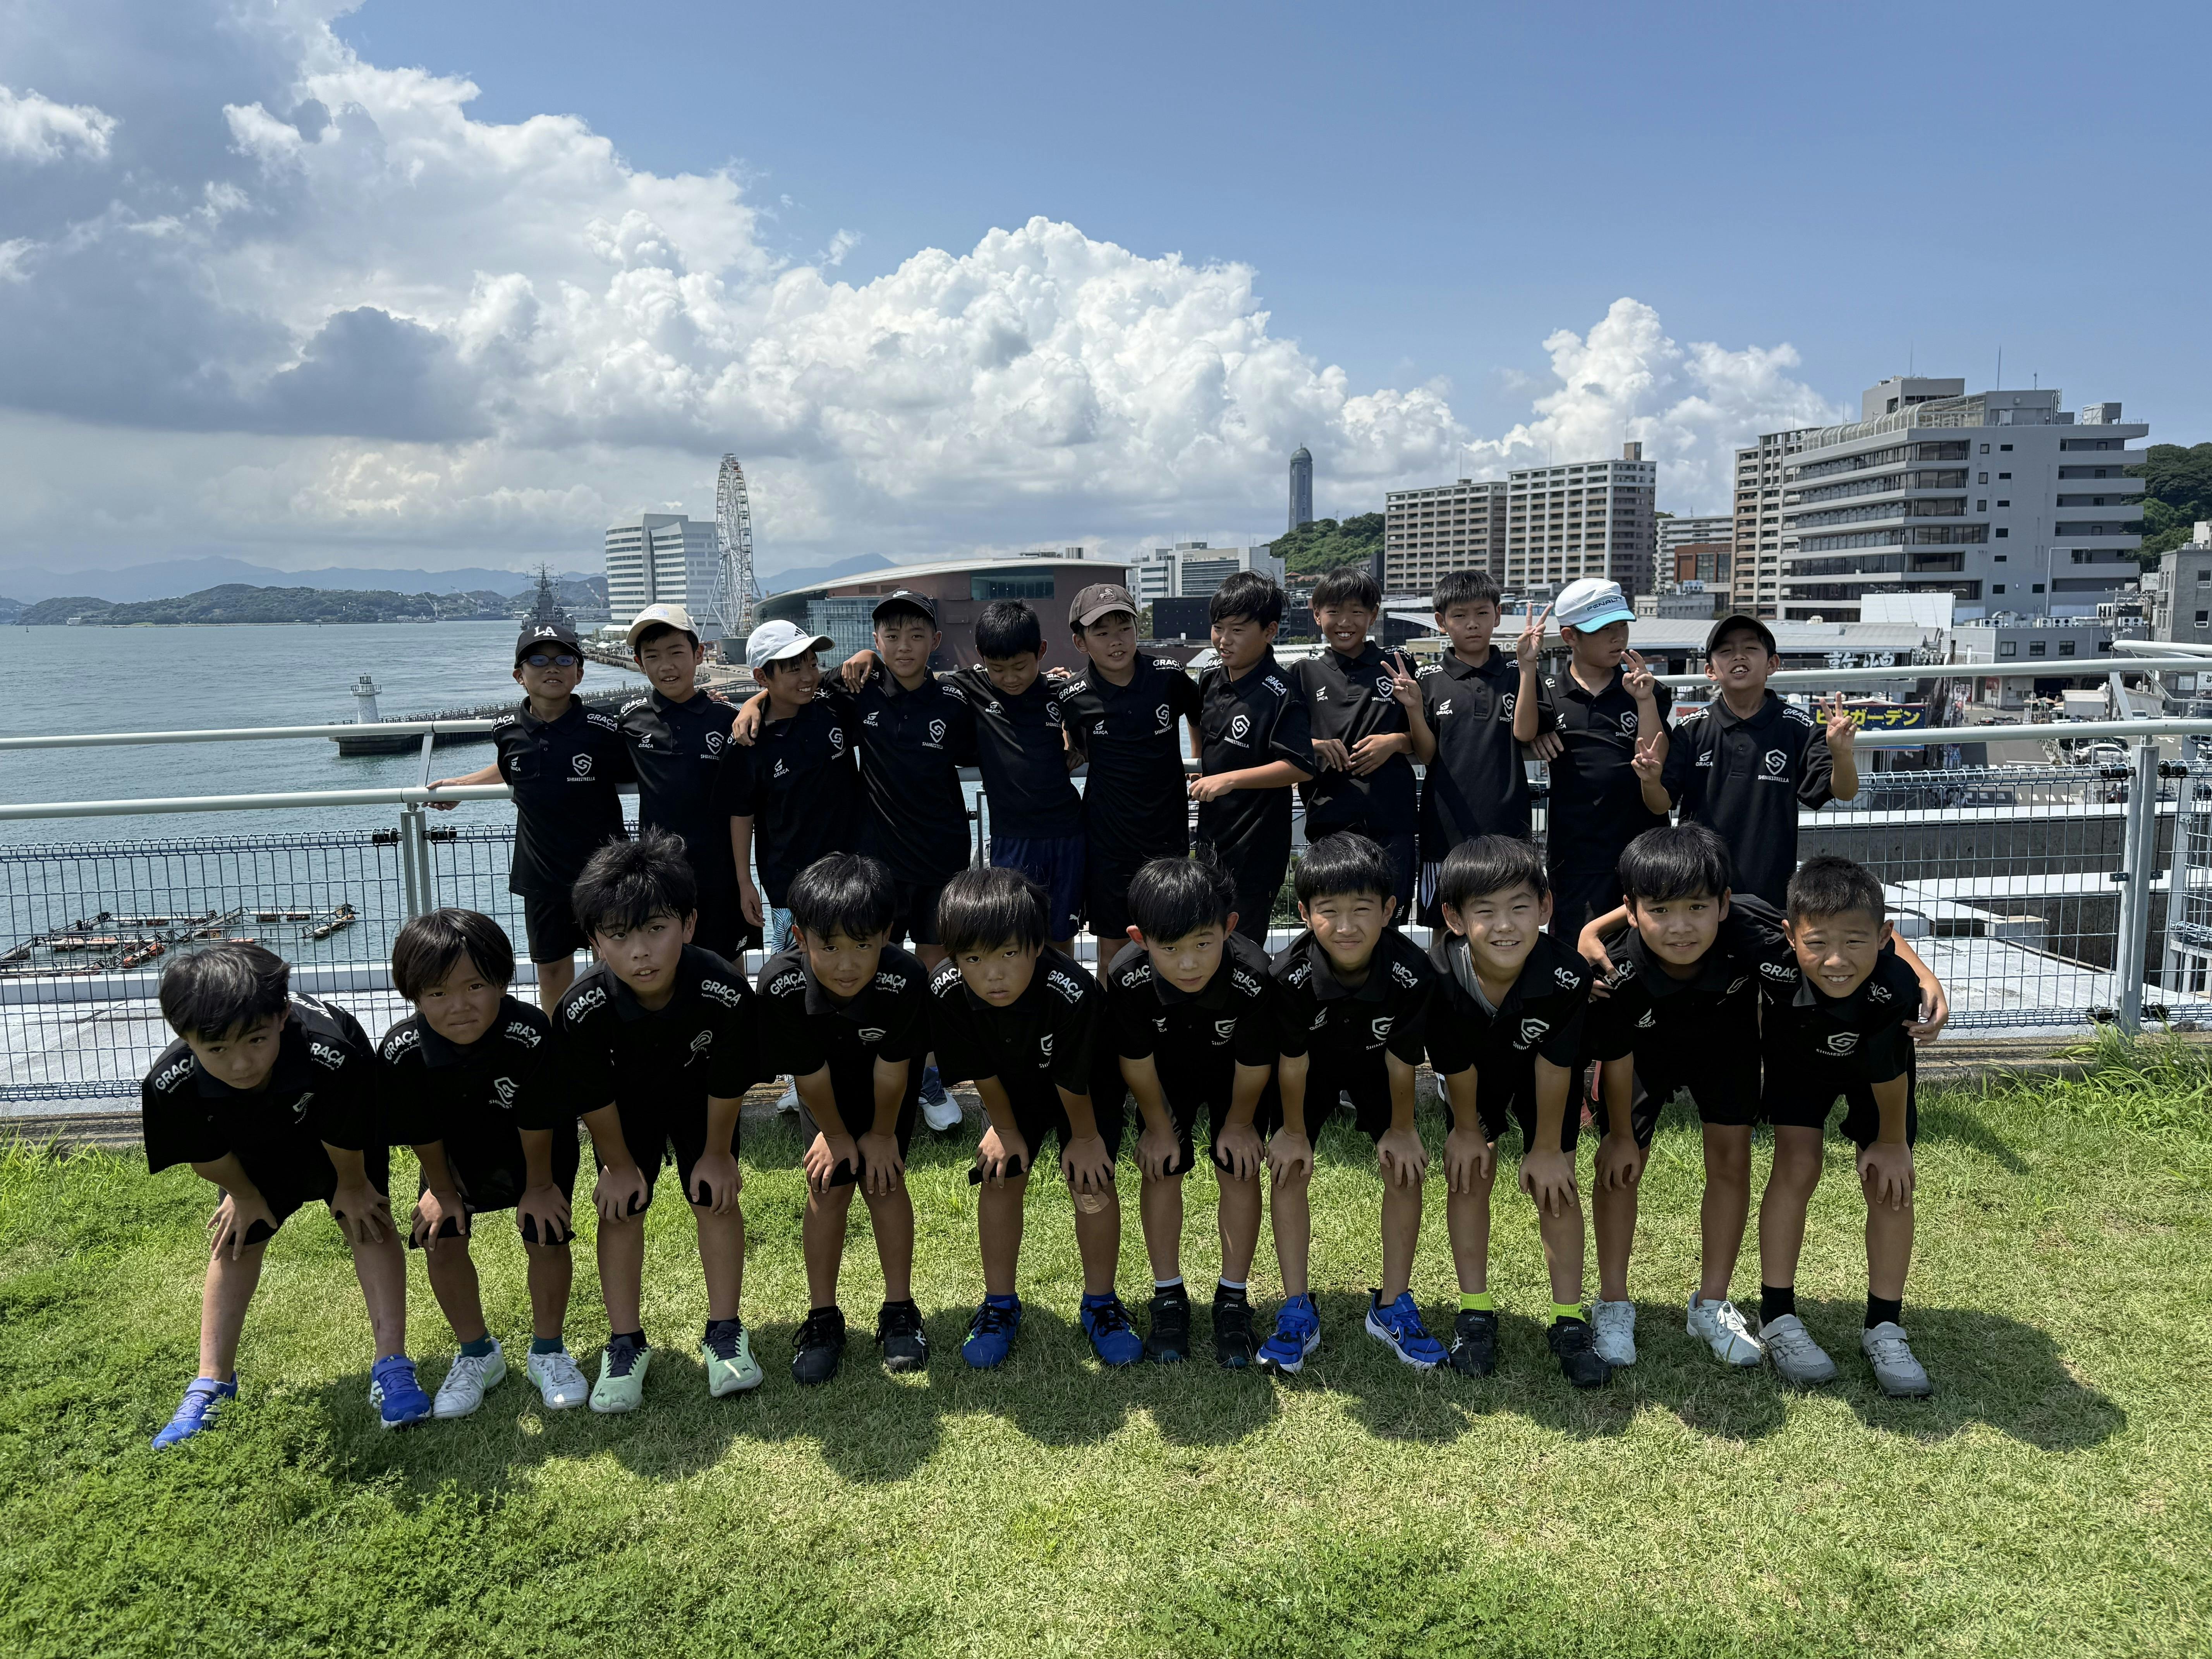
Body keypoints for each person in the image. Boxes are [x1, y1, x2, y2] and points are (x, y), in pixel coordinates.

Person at [142, 943, 428, 1446]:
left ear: (282, 1016)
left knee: (368, 1221)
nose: (240, 1063)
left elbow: (346, 1131)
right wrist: (244, 1195)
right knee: (239, 1237)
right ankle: (212, 1383)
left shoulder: (331, 1051)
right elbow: (205, 1156)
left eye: (256, 1040)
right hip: (253, 1141)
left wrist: (352, 1186)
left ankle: (392, 1365)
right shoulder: (170, 1082)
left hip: (337, 1130)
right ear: (186, 1038)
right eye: (217, 1050)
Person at [726, 590, 978, 1130]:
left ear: (935, 641)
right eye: (891, 636)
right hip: (856, 870)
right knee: (842, 971)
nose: (904, 646)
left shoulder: (929, 700)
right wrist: (752, 703)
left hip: (931, 861)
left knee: (925, 974)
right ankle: (816, 1077)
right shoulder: (838, 700)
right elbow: (743, 802)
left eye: (916, 635)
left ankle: (925, 1080)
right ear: (877, 641)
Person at [556, 831, 766, 1411]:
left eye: (656, 929)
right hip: (625, 1109)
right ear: (595, 942)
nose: (641, 952)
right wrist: (617, 1166)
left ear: (689, 924)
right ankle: (625, 1343)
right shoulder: (581, 1009)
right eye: (619, 936)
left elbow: (729, 1080)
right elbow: (591, 1094)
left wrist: (718, 1155)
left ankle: (725, 1332)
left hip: (701, 1100)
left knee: (715, 1198)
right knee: (621, 1206)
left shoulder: (724, 990)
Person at [1741, 855, 1941, 1397]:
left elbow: (1888, 1073)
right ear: (1790, 935)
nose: (1835, 960)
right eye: (1817, 943)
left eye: (1855, 942)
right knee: (1797, 1165)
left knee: (1889, 1182)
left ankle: (1885, 1326)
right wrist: (1596, 931)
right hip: (1798, 1065)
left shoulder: (1893, 987)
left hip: (1875, 1075)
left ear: (1883, 938)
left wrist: (1892, 1143)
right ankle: (1777, 1315)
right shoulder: (1767, 945)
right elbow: (1708, 901)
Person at [1571, 825, 1767, 1372]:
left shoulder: (1748, 927)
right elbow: (1614, 1050)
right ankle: (1612, 1303)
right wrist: (1618, 1134)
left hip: (1726, 1045)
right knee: (1620, 1166)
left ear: (1723, 904)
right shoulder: (1611, 966)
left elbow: (1839, 923)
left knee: (1732, 1162)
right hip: (1639, 1053)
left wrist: (1920, 974)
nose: (1681, 926)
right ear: (1633, 912)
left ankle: (1711, 1304)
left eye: (1697, 907)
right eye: (1660, 910)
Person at [379, 908, 589, 1416]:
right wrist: (442, 1190)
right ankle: (477, 1355)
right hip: (455, 1154)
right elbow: (421, 1129)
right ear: (414, 996)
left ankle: (549, 1351)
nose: (459, 1006)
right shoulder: (403, 1051)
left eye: (475, 987)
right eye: (437, 993)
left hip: (534, 1148)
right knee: (441, 1237)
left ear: (501, 981)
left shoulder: (530, 1031)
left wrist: (539, 1187)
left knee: (546, 1233)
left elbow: (539, 1116)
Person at [927, 865, 1137, 1369]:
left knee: (1091, 1182)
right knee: (1000, 1174)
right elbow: (978, 1067)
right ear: (954, 956)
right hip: (1011, 1088)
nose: (993, 974)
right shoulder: (945, 990)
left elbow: (1074, 1079)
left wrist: (1084, 1140)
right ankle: (999, 1305)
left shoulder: (1073, 990)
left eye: (1008, 954)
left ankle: (1101, 1304)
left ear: (1038, 946)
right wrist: (1005, 1129)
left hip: (1085, 1087)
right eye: (973, 958)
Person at [1421, 837, 1608, 1386]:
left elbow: (1556, 1064)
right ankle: (1475, 1313)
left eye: (1520, 907)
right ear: (1455, 918)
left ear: (1545, 908)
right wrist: (1465, 1130)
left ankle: (1568, 1320)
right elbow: (1454, 1064)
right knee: (1469, 1172)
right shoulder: (1438, 975)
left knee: (1558, 1182)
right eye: (1485, 911)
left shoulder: (1568, 974)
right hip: (1473, 1077)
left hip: (1541, 1075)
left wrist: (1547, 1148)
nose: (1505, 926)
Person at [1261, 831, 1440, 1374]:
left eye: (1362, 909)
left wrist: (1403, 1130)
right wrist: (1293, 1133)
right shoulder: (1287, 975)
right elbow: (1292, 1061)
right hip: (1309, 1069)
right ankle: (1296, 1307)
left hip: (1378, 1066)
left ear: (1389, 910)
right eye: (1329, 911)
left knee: (1405, 1167)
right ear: (1304, 913)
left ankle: (1393, 1304)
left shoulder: (1414, 972)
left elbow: (1403, 1060)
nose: (1346, 926)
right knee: (1289, 1167)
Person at [754, 854, 933, 1383]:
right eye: (829, 947)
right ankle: (822, 1318)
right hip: (824, 1090)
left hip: (885, 1090)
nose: (847, 965)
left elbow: (893, 1071)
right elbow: (808, 1075)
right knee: (827, 1186)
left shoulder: (906, 978)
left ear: (887, 935)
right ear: (800, 937)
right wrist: (834, 1135)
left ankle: (900, 1310)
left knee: (884, 1180)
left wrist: (881, 1135)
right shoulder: (779, 984)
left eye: (863, 945)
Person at [1098, 854, 1279, 1367]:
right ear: (1140, 939)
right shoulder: (1126, 975)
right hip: (1164, 1078)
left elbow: (1255, 1064)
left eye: (1204, 944)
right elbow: (1135, 1062)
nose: (1188, 964)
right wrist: (1158, 1127)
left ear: (1229, 927)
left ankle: (1233, 1299)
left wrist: (1240, 1125)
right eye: (1170, 949)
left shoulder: (1254, 975)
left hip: (1234, 1079)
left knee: (1239, 1167)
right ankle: (1168, 1296)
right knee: (1161, 1167)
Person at [428, 620, 632, 1012]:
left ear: (579, 674)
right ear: (519, 676)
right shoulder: (507, 729)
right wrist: (462, 786)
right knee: (551, 970)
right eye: (538, 660)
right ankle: (558, 1042)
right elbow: (512, 767)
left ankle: (607, 1038)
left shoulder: (603, 731)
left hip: (605, 872)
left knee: (610, 965)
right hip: (541, 873)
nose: (551, 667)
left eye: (564, 660)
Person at [713, 618, 860, 1113]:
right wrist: (744, 880)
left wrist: (868, 656)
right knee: (797, 978)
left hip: (849, 876)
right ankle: (803, 1072)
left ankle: (849, 1062)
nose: (808, 675)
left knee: (850, 966)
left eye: (812, 663)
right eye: (792, 667)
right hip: (787, 884)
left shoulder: (833, 706)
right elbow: (740, 814)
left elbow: (870, 671)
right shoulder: (748, 743)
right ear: (763, 676)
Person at [1640, 613, 1858, 908]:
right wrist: (1650, 781)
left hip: (1770, 893)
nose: (1739, 656)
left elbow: (1845, 792)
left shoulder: (1797, 727)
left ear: (1773, 664)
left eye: (1751, 648)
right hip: (1699, 888)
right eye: (1726, 651)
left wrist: (1842, 754)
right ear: (1710, 671)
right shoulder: (1692, 729)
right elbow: (1660, 804)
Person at [1055, 582, 1204, 983]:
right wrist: (1073, 749)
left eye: (1125, 629)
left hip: (1167, 832)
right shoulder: (1073, 694)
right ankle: (1112, 1022)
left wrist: (1198, 760)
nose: (1116, 641)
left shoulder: (1168, 675)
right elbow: (1067, 734)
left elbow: (1199, 713)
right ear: (1081, 642)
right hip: (1109, 839)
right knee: (1112, 953)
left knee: (1170, 940)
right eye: (1102, 633)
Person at [1400, 570, 1554, 924]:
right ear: (1441, 622)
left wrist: (1528, 666)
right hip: (1444, 827)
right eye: (1460, 616)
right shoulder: (1428, 680)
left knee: (1508, 922)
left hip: (1508, 825)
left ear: (1497, 616)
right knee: (1445, 926)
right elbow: (1427, 754)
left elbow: (1525, 733)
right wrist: (1413, 709)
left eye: (1482, 613)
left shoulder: (1517, 672)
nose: (1472, 624)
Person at [949, 601, 1086, 959]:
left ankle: (1061, 990)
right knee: (1014, 934)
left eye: (1021, 667)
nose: (1010, 678)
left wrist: (1078, 747)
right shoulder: (971, 686)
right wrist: (869, 656)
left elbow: (1090, 719)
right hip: (1012, 838)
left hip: (1067, 833)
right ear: (981, 657)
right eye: (998, 669)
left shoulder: (1060, 690)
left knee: (1061, 934)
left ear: (1041, 651)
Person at [1540, 577, 1672, 938]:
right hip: (1575, 851)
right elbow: (1519, 731)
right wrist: (1535, 734)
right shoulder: (1546, 692)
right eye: (1603, 630)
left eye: (1622, 626)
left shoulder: (1647, 689)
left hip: (1642, 846)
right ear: (1570, 637)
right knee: (1575, 948)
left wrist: (1644, 700)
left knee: (1647, 943)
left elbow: (1655, 756)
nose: (1618, 638)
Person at [611, 604, 746, 957]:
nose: (666, 666)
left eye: (676, 653)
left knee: (726, 962)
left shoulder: (726, 718)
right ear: (640, 663)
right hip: (659, 871)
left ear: (699, 655)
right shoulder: (631, 719)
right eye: (653, 656)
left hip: (719, 868)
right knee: (667, 960)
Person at [1190, 571, 1315, 947]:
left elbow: (1299, 766)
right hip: (1212, 836)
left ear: (1270, 631)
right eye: (1218, 628)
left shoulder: (1282, 691)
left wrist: (1229, 779)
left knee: (1243, 945)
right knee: (1207, 936)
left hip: (1256, 844)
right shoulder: (1210, 679)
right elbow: (1198, 722)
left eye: (1238, 630)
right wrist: (1198, 763)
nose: (1224, 640)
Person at [1288, 568, 1420, 912]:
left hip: (1392, 817)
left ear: (1373, 615)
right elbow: (1281, 742)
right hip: (1329, 819)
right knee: (1336, 916)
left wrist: (1395, 741)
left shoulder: (1397, 664)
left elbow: (1426, 739)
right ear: (1317, 615)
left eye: (1357, 612)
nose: (1345, 622)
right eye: (1334, 611)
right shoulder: (1303, 673)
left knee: (1389, 917)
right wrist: (1315, 746)